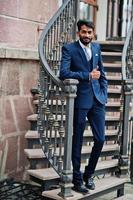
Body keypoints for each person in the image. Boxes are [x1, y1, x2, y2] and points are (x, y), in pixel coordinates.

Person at [59, 19, 108, 194]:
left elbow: (102, 74)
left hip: (97, 101)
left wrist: (104, 93)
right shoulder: (69, 49)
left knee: (100, 139)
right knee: (77, 140)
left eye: (89, 32)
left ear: (93, 33)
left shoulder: (96, 48)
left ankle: (89, 174)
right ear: (78, 32)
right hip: (80, 100)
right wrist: (87, 75)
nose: (86, 35)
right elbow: (63, 72)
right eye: (83, 32)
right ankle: (77, 179)